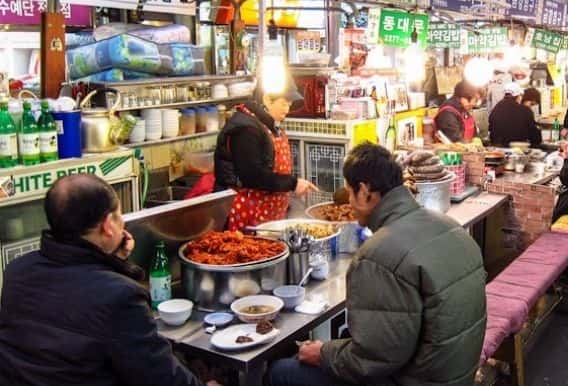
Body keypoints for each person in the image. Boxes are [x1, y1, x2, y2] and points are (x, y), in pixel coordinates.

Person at [270, 143, 486, 386]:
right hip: (456, 374)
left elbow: (373, 360)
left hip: (415, 380)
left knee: (281, 371)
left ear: (365, 191)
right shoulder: (450, 226)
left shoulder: (377, 255)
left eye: (350, 193)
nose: (349, 202)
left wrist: (323, 353)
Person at [0, 174, 211, 386]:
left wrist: (114, 261)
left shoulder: (17, 270)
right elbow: (161, 377)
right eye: (119, 216)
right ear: (108, 225)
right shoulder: (119, 297)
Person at [214, 84, 318, 230]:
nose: (287, 109)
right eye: (283, 103)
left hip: (268, 214)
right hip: (246, 214)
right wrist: (293, 183)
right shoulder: (246, 130)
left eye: (289, 104)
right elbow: (253, 176)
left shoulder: (269, 126)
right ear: (267, 100)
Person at [488, 82, 541, 148]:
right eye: (532, 104)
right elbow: (535, 137)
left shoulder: (497, 108)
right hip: (517, 150)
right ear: (519, 96)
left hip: (497, 149)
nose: (531, 107)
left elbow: (491, 128)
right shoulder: (525, 111)